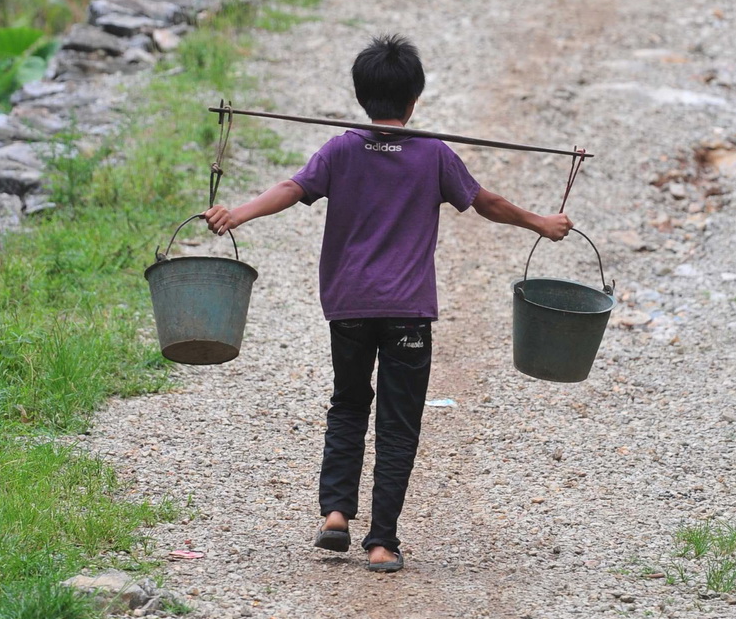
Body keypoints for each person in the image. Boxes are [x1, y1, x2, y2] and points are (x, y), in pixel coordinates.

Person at [204, 34, 571, 573]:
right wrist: (540, 221)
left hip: (348, 308)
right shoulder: (433, 153)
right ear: (414, 100)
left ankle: (335, 513)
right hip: (408, 313)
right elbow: (485, 202)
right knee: (398, 422)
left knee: (349, 403)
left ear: (360, 96)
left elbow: (291, 188)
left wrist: (237, 213)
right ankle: (381, 543)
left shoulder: (340, 150)